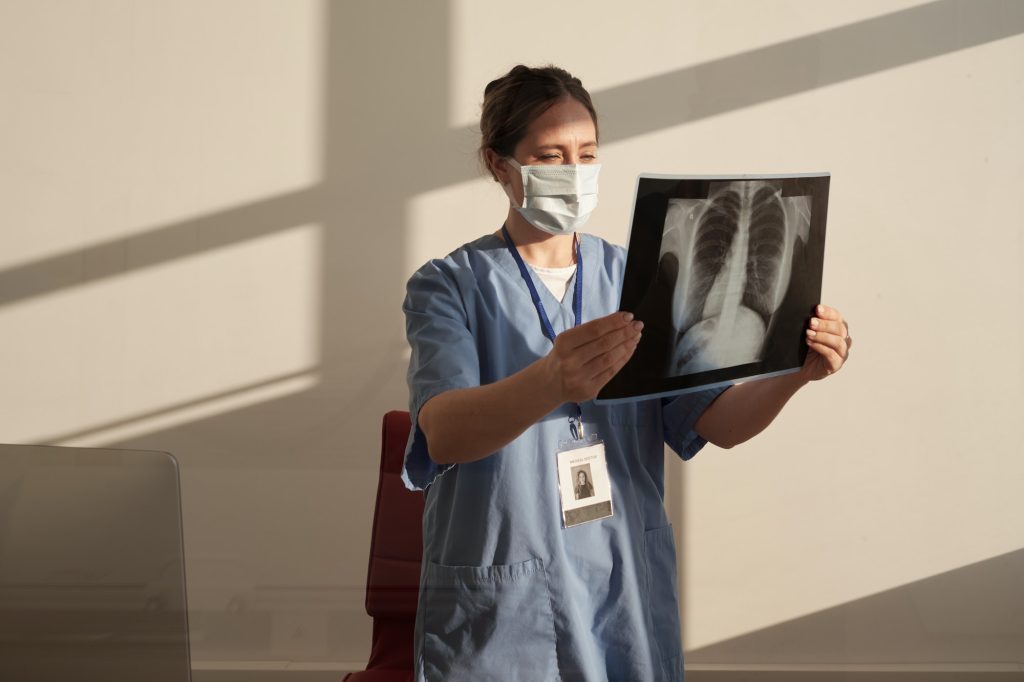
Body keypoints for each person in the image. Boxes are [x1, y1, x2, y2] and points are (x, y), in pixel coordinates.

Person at [401, 64, 852, 682]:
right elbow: (444, 434)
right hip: (504, 595)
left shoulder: (639, 278)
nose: (574, 172)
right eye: (550, 155)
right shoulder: (448, 286)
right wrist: (551, 382)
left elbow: (715, 422)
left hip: (619, 586)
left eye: (587, 154)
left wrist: (794, 375)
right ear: (498, 164)